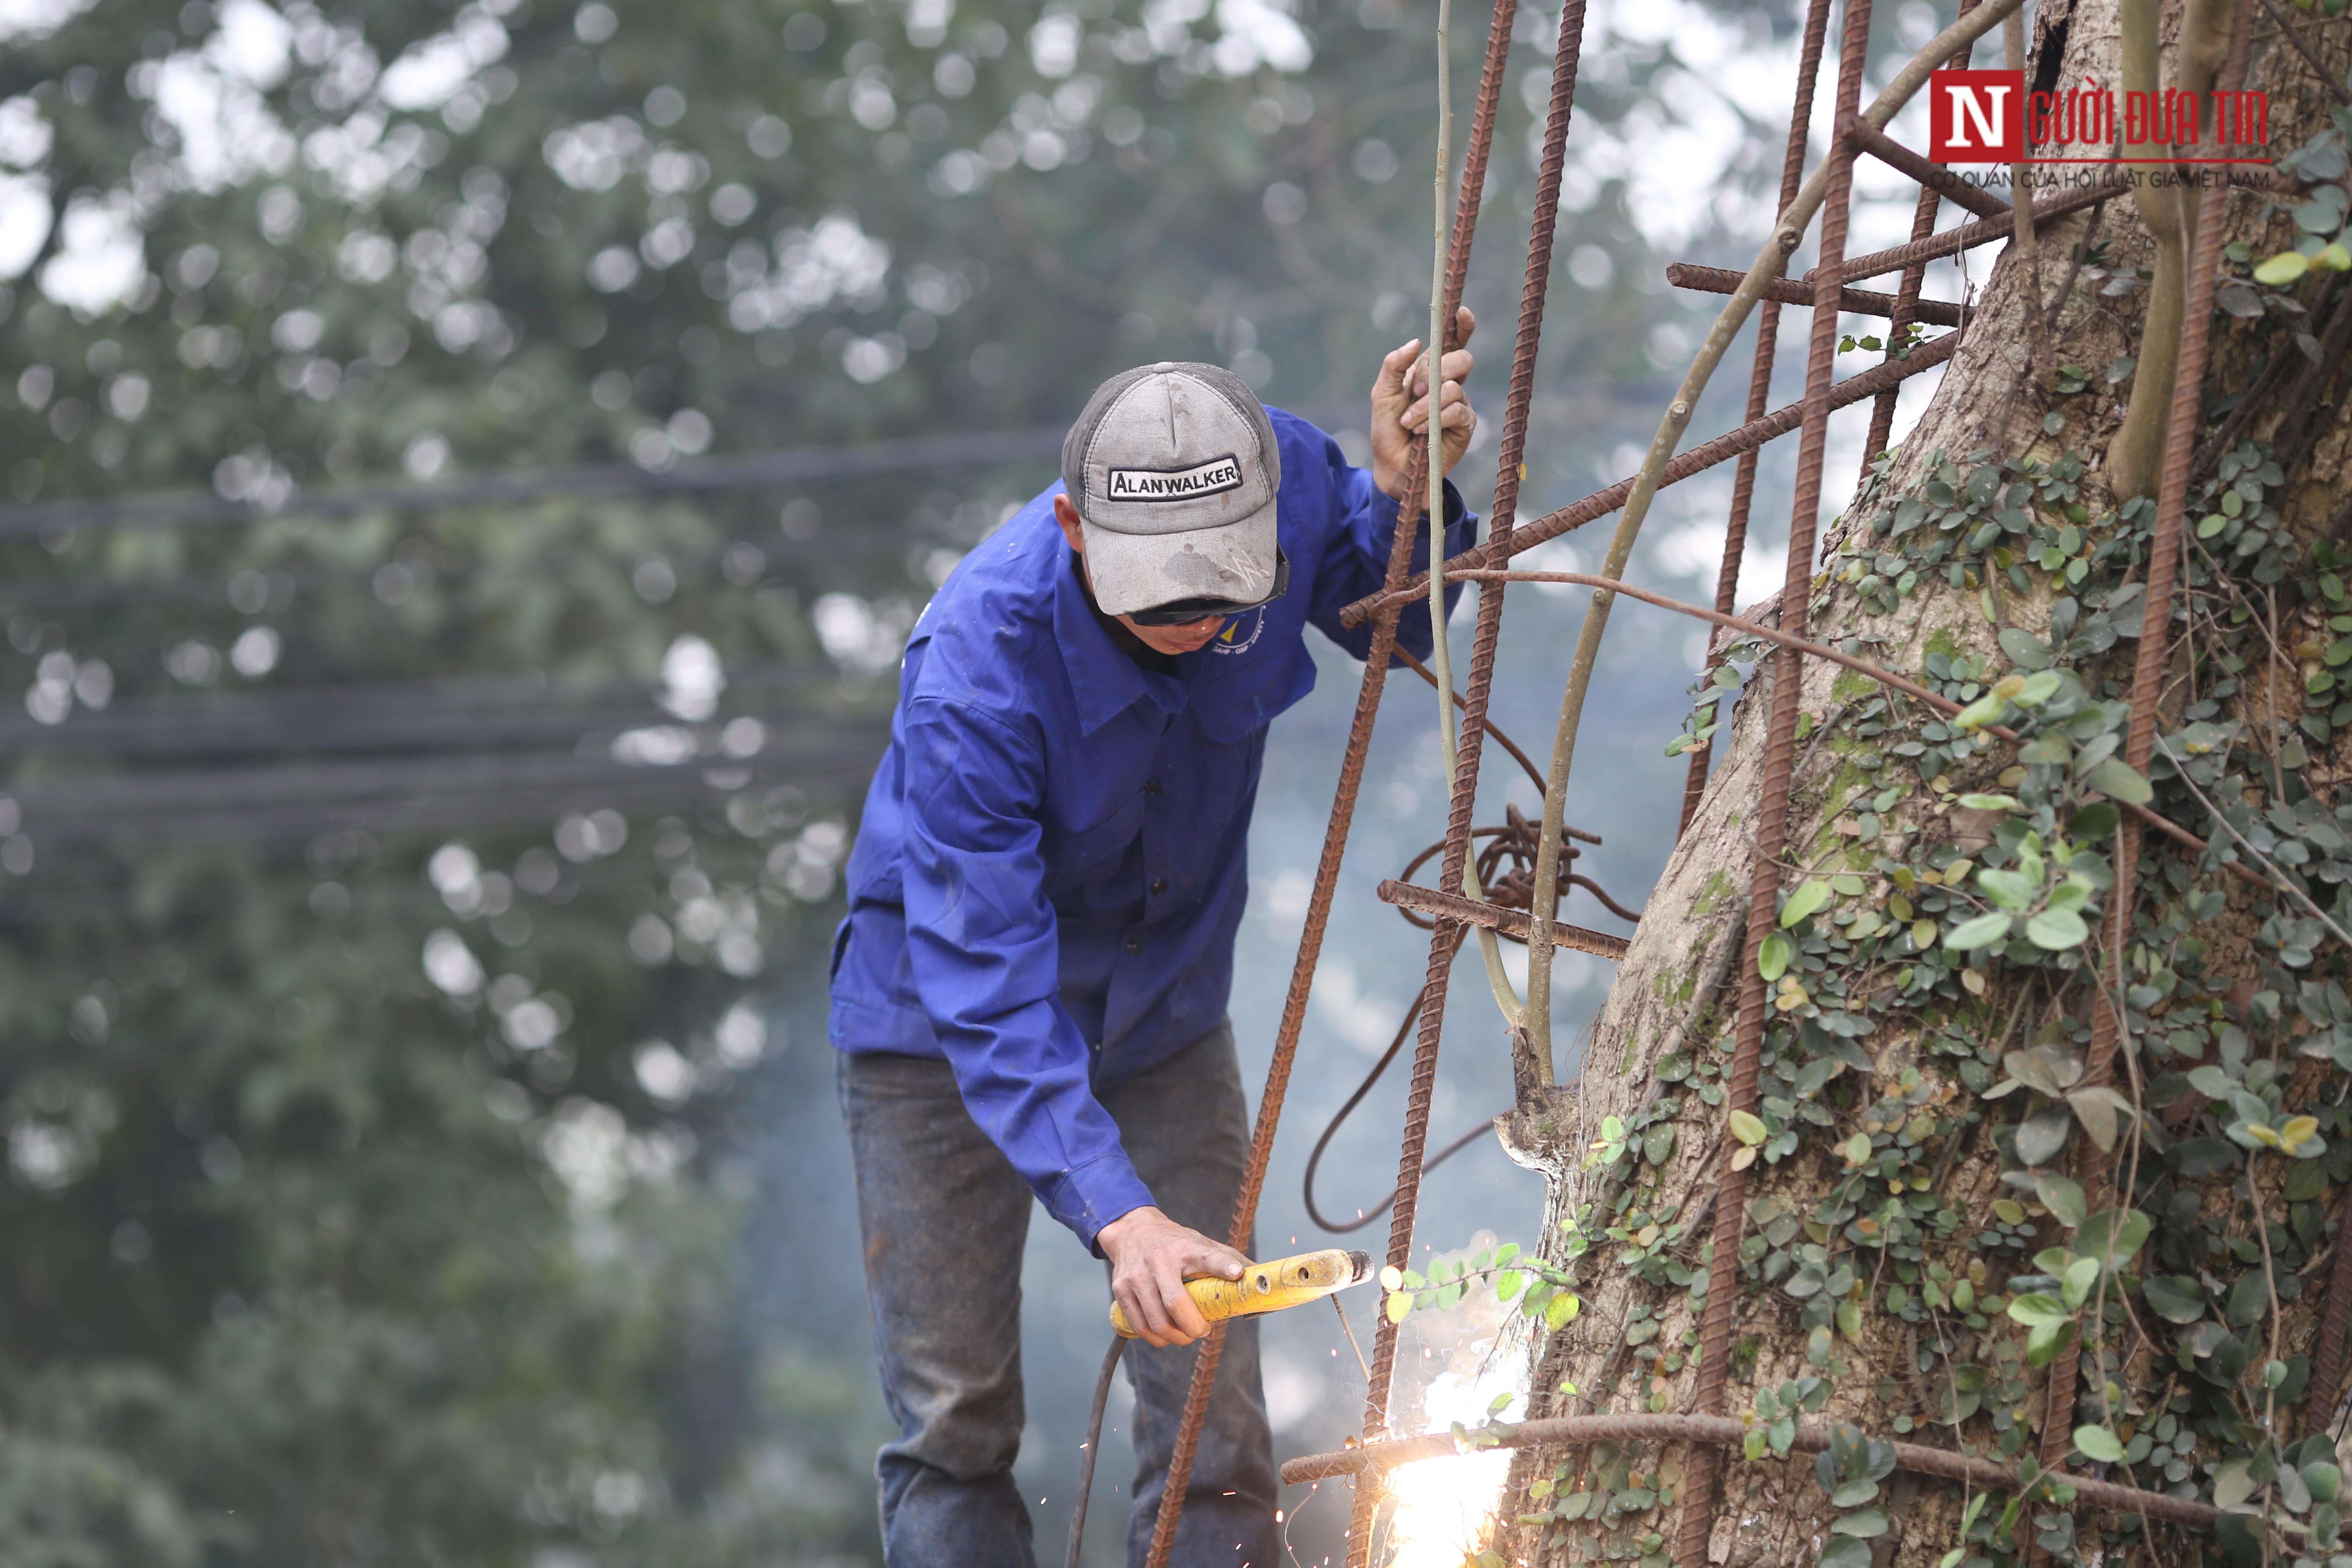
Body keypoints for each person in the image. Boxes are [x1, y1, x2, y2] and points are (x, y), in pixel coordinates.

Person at [831, 312, 1480, 1568]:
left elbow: (1402, 623)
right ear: (1077, 532)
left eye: (1217, 586)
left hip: (1167, 1013)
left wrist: (1412, 499)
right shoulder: (976, 670)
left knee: (1214, 1422)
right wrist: (1119, 1217)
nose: (1191, 614)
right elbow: (988, 984)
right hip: (945, 1030)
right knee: (954, 1424)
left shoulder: (1289, 483)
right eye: (1158, 592)